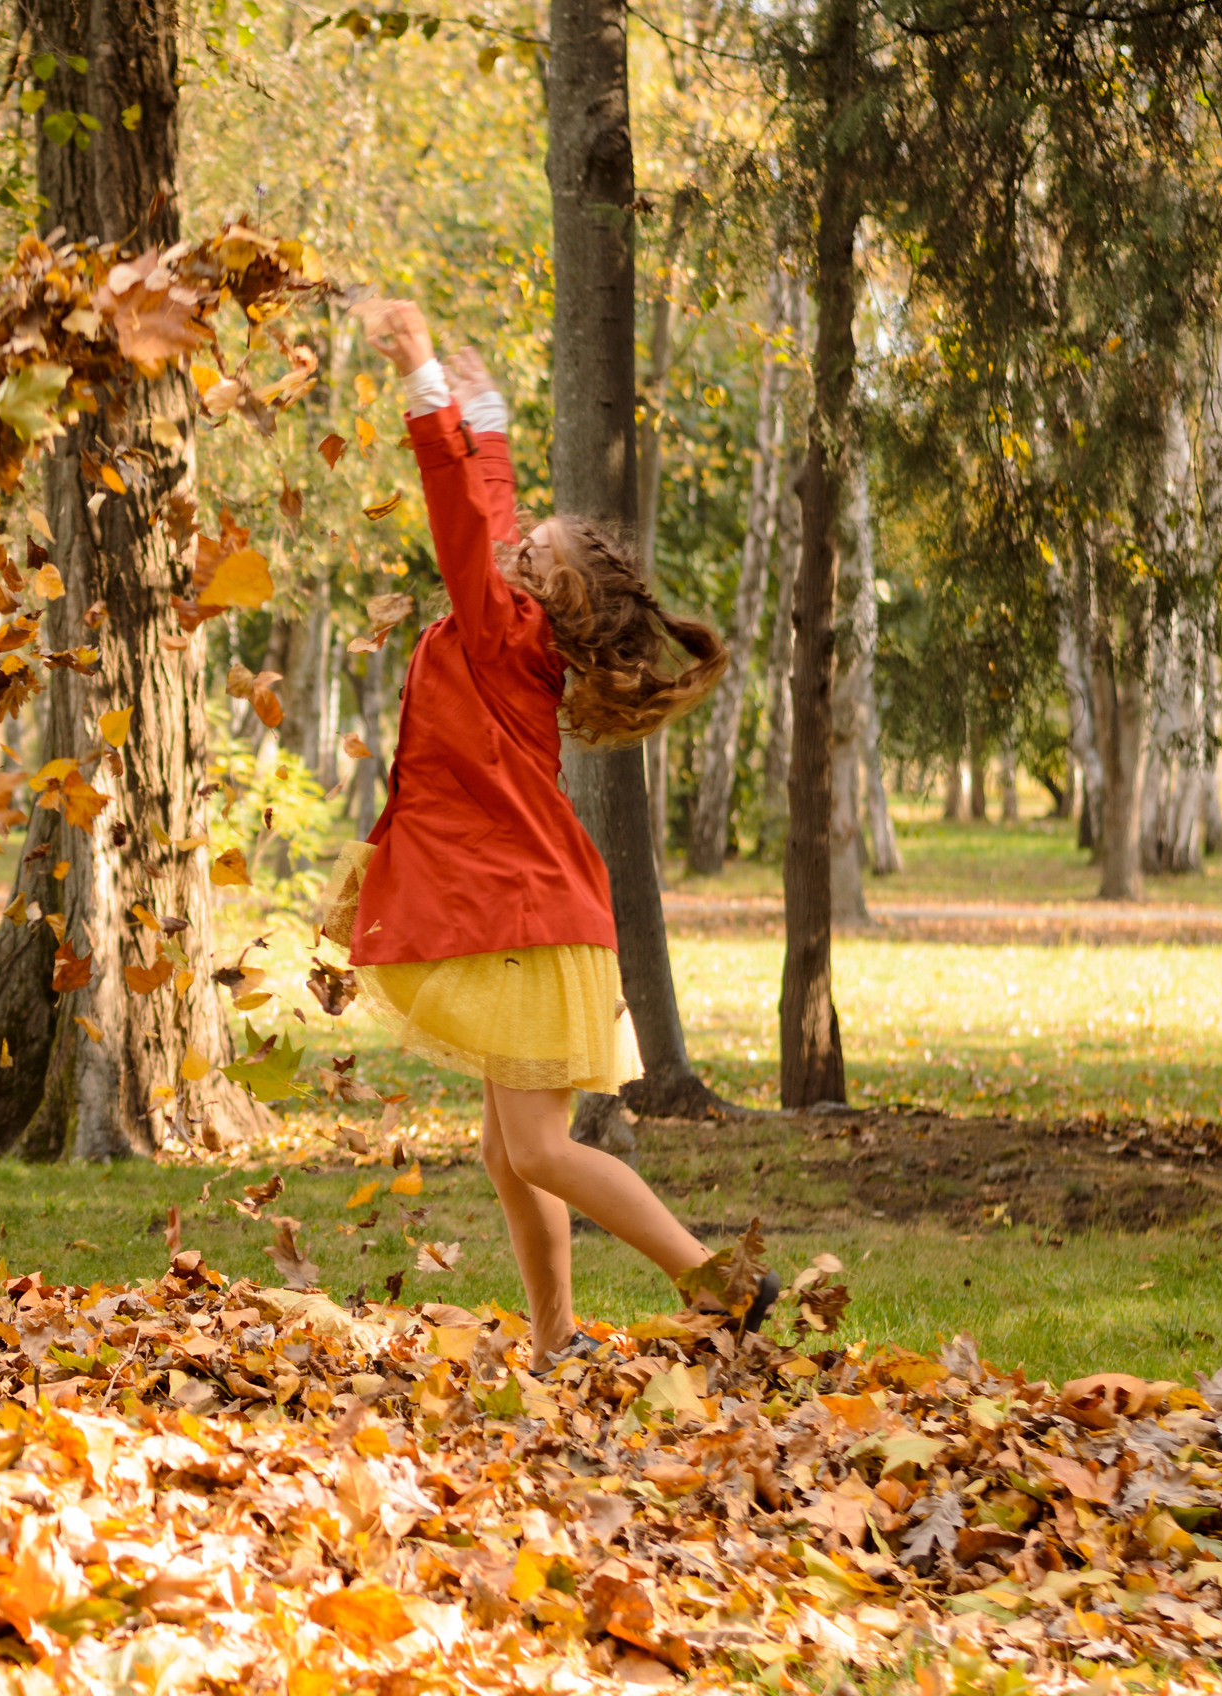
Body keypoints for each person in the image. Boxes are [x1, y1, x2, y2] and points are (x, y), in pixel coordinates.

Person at [325, 297, 772, 1373]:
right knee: (507, 1150)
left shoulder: (499, 624)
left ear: (546, 588)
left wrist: (428, 389)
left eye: (539, 546)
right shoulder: (517, 627)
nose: (522, 538)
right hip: (536, 912)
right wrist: (483, 414)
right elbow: (492, 513)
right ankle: (555, 1337)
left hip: (530, 918)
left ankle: (716, 1277)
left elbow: (463, 520)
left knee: (537, 1147)